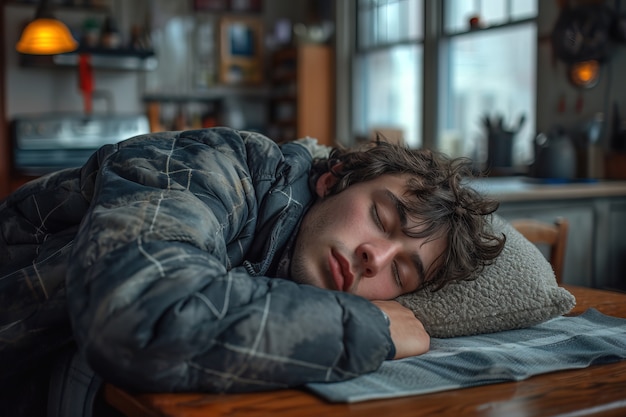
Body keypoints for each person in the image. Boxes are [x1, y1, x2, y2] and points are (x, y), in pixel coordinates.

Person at [0, 127, 504, 412]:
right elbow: (141, 313)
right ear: (333, 179)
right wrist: (369, 328)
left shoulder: (289, 258)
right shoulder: (213, 167)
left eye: (403, 274)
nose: (377, 258)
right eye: (381, 217)